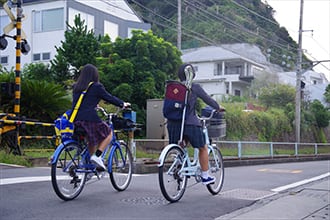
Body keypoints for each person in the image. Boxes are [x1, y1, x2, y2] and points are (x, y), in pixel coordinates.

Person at [166, 63, 225, 185]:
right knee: (203, 147)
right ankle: (205, 176)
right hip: (190, 123)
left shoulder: (173, 87)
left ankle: (179, 164)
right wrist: (218, 107)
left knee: (181, 145)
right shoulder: (194, 87)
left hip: (173, 123)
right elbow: (207, 99)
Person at [72, 64, 130, 170]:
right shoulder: (96, 86)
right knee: (109, 133)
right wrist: (122, 104)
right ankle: (98, 156)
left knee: (92, 140)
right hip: (90, 119)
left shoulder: (76, 87)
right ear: (94, 75)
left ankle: (90, 166)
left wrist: (94, 104)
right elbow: (109, 97)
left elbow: (82, 102)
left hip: (76, 120)